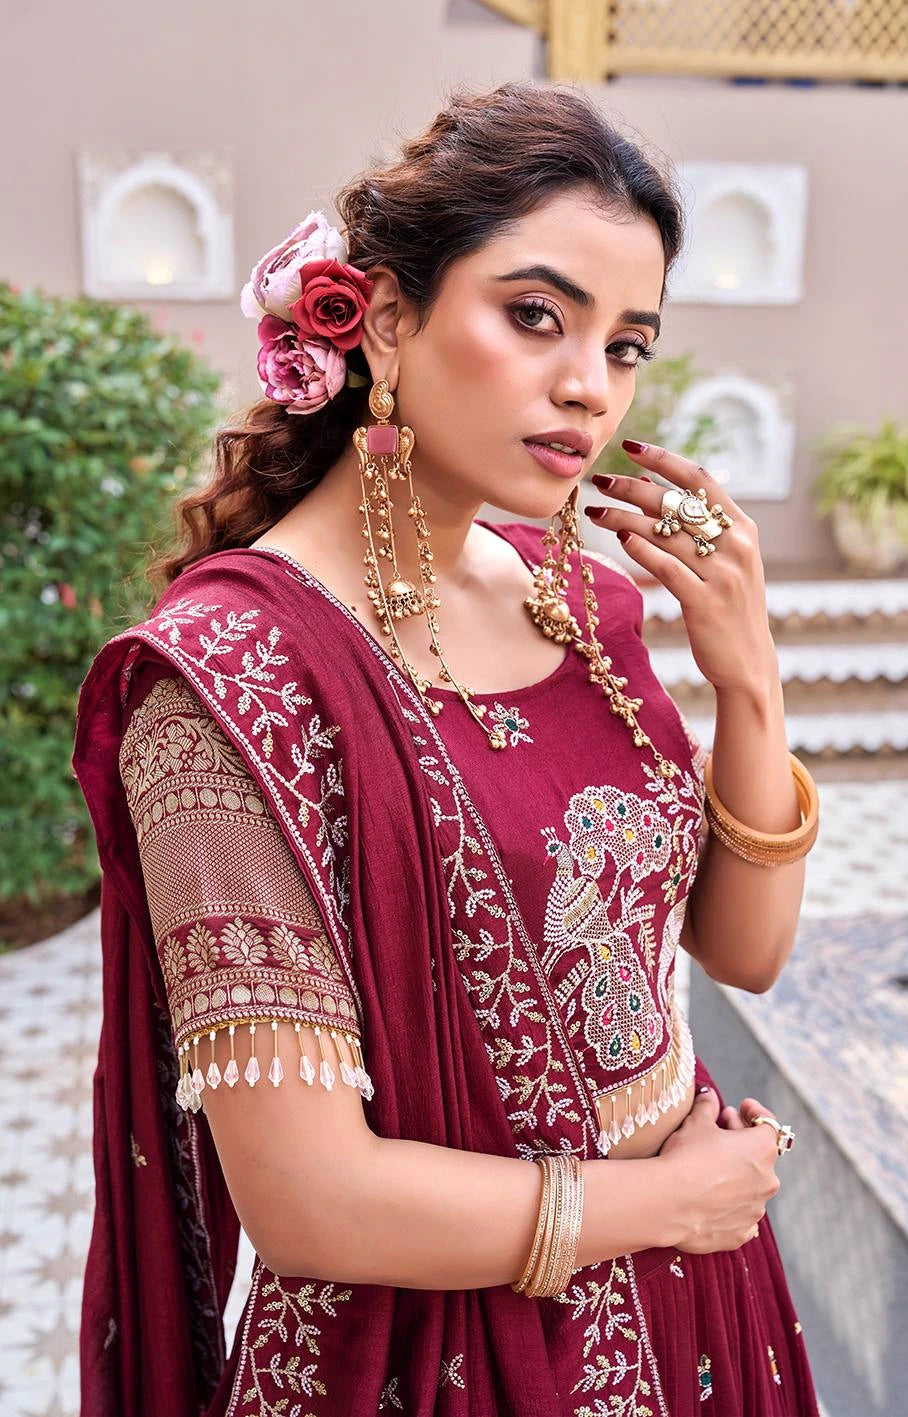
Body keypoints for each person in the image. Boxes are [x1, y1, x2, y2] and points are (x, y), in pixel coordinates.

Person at [71, 79, 821, 1416]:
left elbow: (740, 952)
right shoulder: (231, 680)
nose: (587, 386)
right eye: (534, 315)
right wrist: (663, 1200)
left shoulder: (575, 598)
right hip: (439, 1356)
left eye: (627, 342)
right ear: (382, 316)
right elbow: (308, 1199)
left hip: (690, 1301)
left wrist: (748, 685)